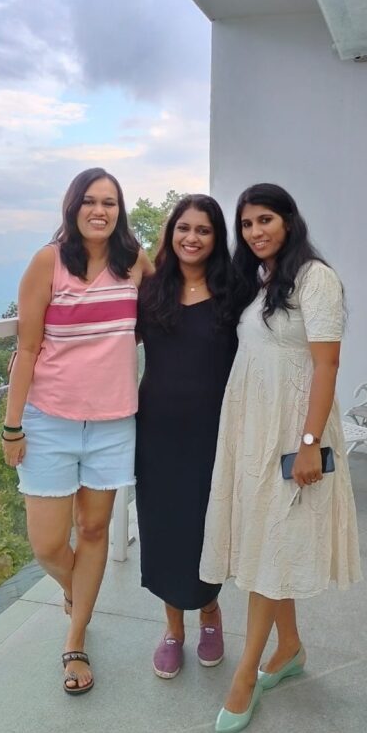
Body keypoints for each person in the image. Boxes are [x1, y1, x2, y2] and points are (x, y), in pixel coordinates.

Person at [199, 183, 361, 733]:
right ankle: (288, 647)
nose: (255, 232)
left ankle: (245, 675)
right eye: (246, 224)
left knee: (271, 542)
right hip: (252, 426)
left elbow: (327, 365)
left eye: (265, 219)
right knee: (270, 539)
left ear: (289, 220)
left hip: (292, 430)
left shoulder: (316, 279)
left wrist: (311, 440)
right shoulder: (261, 280)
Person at [2, 167, 152, 696]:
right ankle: (77, 593)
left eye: (109, 202)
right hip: (49, 421)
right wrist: (12, 425)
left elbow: (175, 304)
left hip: (113, 423)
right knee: (47, 545)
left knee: (93, 532)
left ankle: (75, 637)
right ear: (73, 206)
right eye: (90, 201)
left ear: (120, 211)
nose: (100, 210)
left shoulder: (133, 262)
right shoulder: (48, 263)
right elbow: (26, 349)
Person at [135, 195, 237, 678]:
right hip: (156, 431)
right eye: (183, 228)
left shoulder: (234, 294)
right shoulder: (150, 291)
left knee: (205, 524)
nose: (191, 238)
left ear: (216, 239)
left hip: (214, 432)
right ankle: (173, 628)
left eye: (203, 230)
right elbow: (107, 342)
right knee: (164, 527)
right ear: (170, 233)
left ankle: (210, 612)